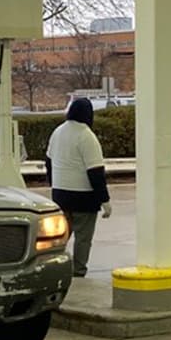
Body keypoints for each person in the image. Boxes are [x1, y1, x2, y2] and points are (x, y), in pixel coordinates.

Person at [45, 98, 110, 277]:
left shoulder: (57, 132)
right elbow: (95, 172)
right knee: (83, 238)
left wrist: (54, 184)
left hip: (60, 194)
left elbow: (48, 162)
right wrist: (105, 200)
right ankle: (78, 270)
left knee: (60, 235)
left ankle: (53, 265)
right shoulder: (86, 136)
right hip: (84, 197)